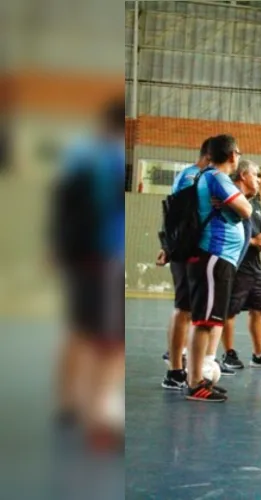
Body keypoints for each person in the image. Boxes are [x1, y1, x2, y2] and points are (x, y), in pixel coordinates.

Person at [50, 97, 126, 448]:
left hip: (85, 257)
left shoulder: (81, 155)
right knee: (110, 343)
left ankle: (68, 405)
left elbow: (62, 205)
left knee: (80, 330)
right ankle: (100, 418)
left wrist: (60, 249)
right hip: (106, 256)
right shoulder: (106, 159)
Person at [185, 134, 253, 402]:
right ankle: (194, 383)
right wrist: (237, 206)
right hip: (214, 255)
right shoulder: (217, 178)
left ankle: (197, 379)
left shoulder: (208, 177)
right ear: (234, 154)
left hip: (217, 258)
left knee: (207, 320)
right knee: (204, 322)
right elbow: (246, 209)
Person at [157, 138, 211, 390]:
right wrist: (169, 247)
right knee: (184, 308)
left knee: (187, 309)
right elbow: (176, 216)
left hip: (189, 249)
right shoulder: (192, 177)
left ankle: (180, 363)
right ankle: (175, 370)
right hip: (186, 250)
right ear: (210, 156)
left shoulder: (194, 177)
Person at [220, 160, 261, 371]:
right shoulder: (230, 200)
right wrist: (254, 241)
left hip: (255, 266)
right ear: (244, 175)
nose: (259, 180)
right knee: (229, 311)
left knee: (258, 309)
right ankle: (228, 353)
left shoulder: (255, 203)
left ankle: (259, 354)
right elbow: (228, 232)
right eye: (256, 175)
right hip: (236, 265)